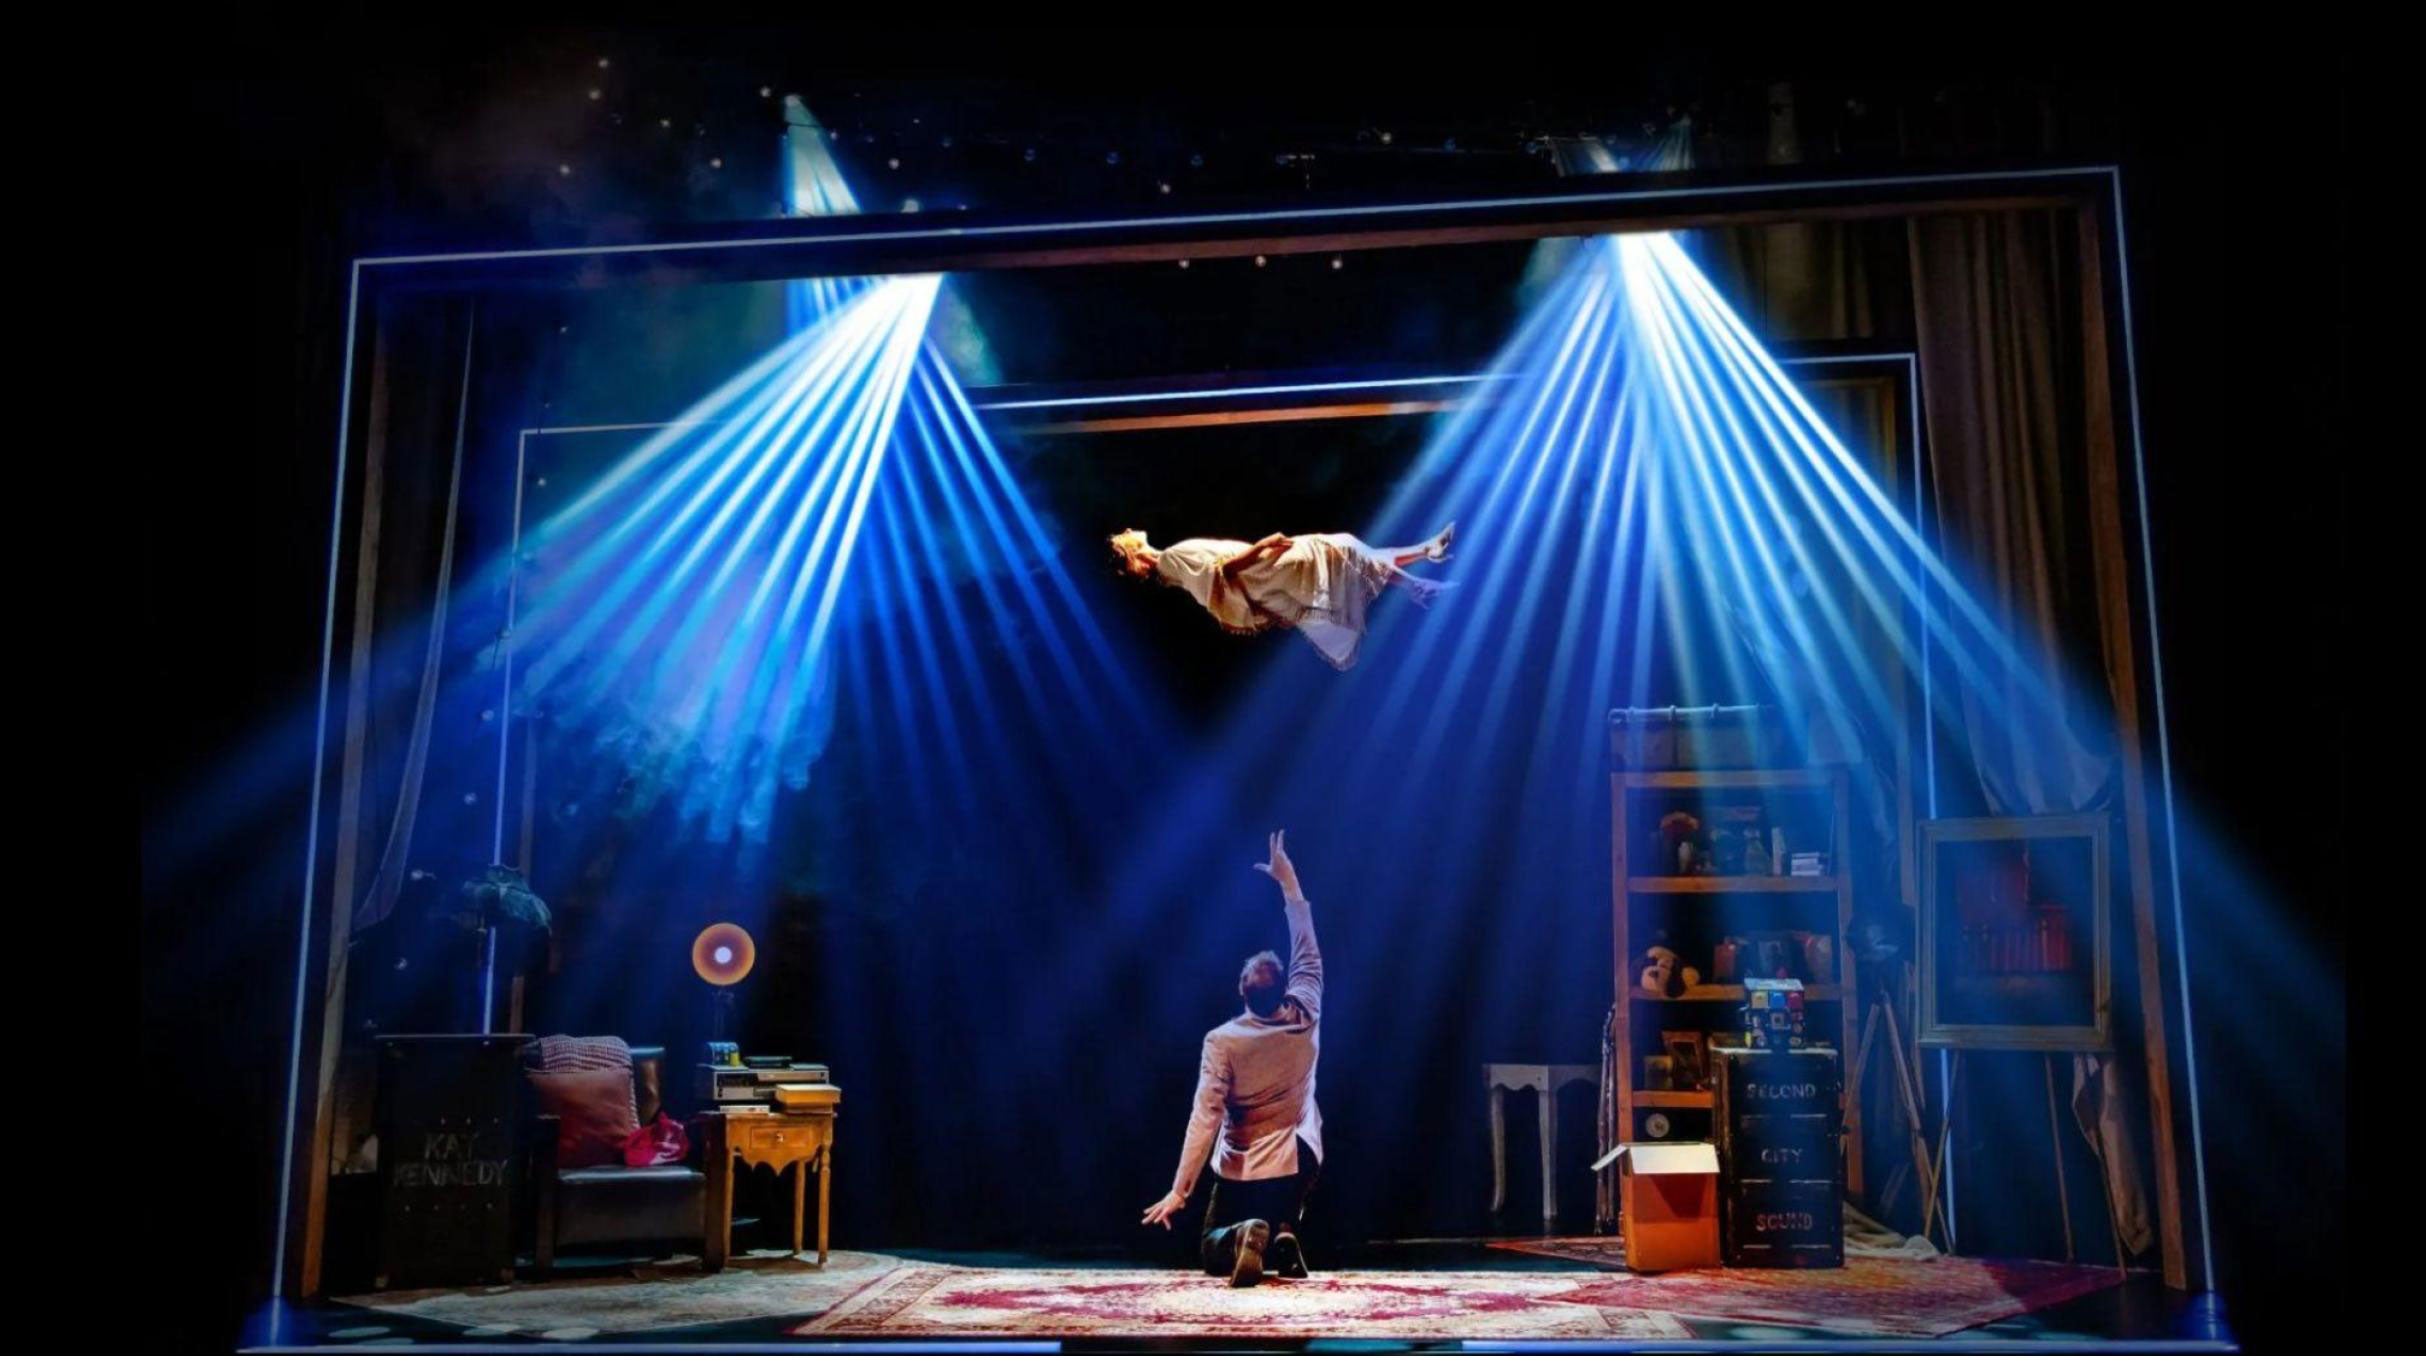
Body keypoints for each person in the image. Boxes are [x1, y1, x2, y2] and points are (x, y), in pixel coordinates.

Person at [1141, 831, 1327, 1286]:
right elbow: (1305, 946)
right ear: (1284, 988)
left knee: (1211, 1248)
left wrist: (1180, 1190)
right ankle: (1285, 1228)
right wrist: (1289, 883)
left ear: (1242, 993)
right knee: (1309, 1124)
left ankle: (1247, 1232)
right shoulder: (1306, 1011)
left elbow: (1205, 1116)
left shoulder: (1222, 1042)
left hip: (1241, 1169)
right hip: (1297, 1162)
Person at [1110, 523, 1455, 670]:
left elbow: (1216, 586)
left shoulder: (1171, 567)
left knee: (1350, 553)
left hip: (1265, 576)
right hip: (1267, 570)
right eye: (1124, 536)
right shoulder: (1171, 559)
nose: (1128, 530)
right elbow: (1222, 571)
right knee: (1345, 551)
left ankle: (1424, 556)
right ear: (1132, 551)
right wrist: (1263, 545)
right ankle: (1420, 576)